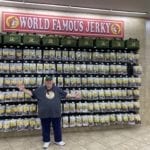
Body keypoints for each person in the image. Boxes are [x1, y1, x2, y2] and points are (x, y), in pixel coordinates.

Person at [17, 76, 81, 149]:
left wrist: (74, 96)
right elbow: (32, 94)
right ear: (45, 82)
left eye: (50, 82)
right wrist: (23, 89)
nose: (49, 83)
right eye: (47, 82)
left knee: (57, 127)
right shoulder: (40, 89)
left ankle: (58, 140)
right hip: (44, 113)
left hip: (55, 113)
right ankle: (46, 141)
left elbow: (66, 95)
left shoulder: (57, 89)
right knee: (45, 128)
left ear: (52, 82)